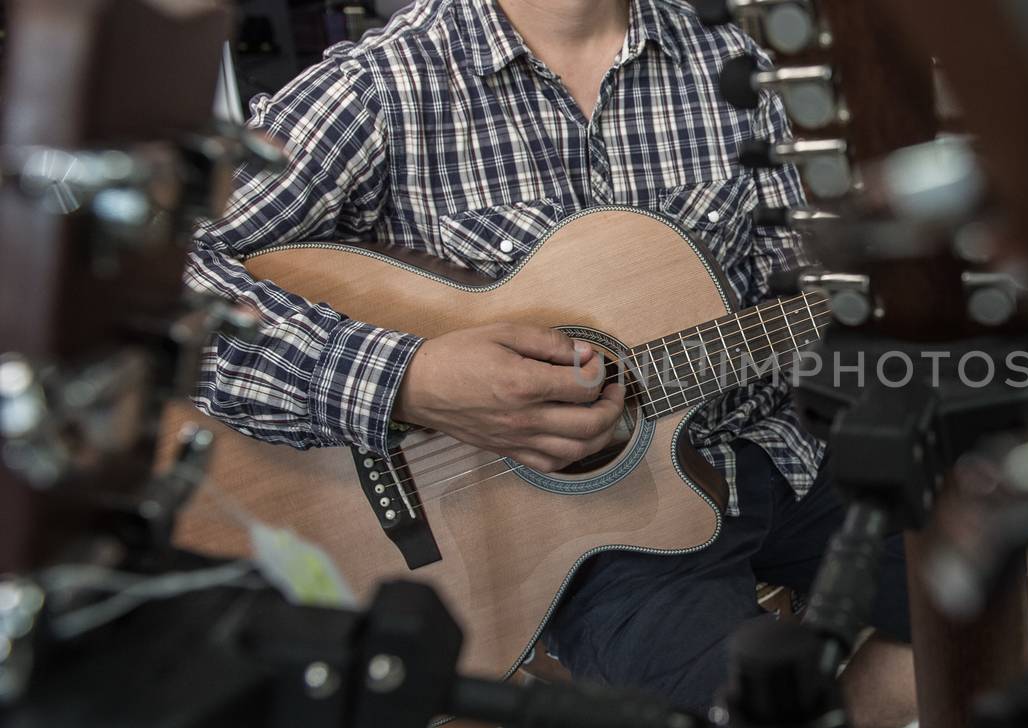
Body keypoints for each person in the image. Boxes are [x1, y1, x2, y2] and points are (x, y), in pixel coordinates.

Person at [185, 0, 916, 723]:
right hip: (591, 526)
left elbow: (812, 279)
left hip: (781, 446)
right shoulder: (379, 86)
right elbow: (166, 275)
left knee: (1009, 569)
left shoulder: (742, 62)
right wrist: (409, 380)